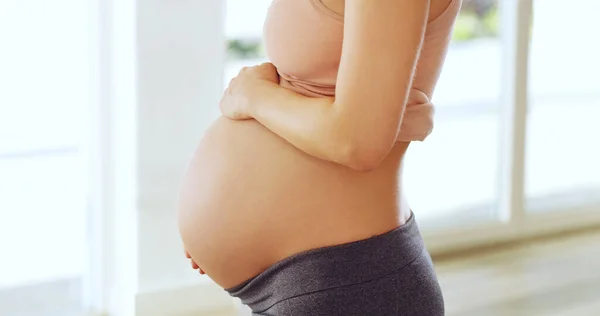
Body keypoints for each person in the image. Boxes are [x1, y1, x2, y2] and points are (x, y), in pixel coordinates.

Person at [178, 0, 462, 314]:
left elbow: (356, 140)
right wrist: (221, 235)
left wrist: (254, 96)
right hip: (321, 278)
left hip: (347, 280)